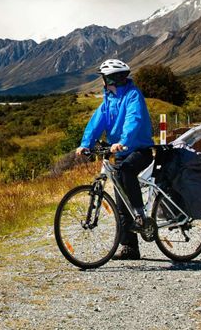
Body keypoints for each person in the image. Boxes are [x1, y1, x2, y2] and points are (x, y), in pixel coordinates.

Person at [75, 59, 154, 260]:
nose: (102, 81)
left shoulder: (133, 96)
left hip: (139, 149)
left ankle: (140, 215)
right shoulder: (108, 99)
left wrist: (123, 141)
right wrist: (86, 143)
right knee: (120, 203)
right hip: (119, 152)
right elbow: (96, 122)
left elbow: (133, 120)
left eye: (104, 77)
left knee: (126, 170)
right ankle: (130, 248)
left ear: (111, 78)